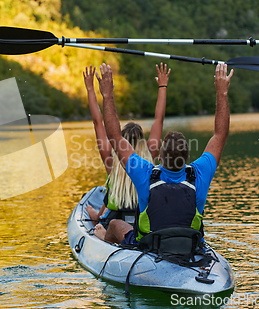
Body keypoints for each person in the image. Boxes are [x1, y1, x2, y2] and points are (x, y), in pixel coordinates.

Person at [94, 63, 233, 245]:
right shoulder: (200, 173)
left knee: (115, 224)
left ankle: (102, 240)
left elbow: (114, 136)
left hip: (150, 246)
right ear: (188, 159)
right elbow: (220, 135)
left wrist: (107, 94)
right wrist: (222, 93)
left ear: (159, 157)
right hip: (189, 245)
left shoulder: (145, 173)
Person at [83, 63, 169, 228]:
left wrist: (90, 89)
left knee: (91, 211)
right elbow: (159, 119)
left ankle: (89, 209)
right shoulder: (150, 155)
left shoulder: (110, 159)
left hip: (114, 224)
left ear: (120, 140)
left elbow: (98, 123)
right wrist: (162, 86)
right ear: (142, 141)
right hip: (142, 222)